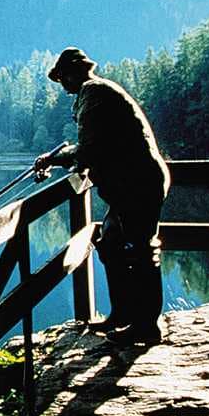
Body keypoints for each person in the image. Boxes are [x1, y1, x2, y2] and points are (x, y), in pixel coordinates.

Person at [33, 47, 170, 345]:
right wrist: (63, 158)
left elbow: (89, 149)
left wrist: (55, 158)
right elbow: (98, 146)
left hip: (139, 182)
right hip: (131, 184)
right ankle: (123, 314)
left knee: (143, 251)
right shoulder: (97, 92)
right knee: (110, 242)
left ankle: (147, 326)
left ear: (73, 73)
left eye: (62, 77)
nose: (62, 85)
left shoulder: (93, 93)